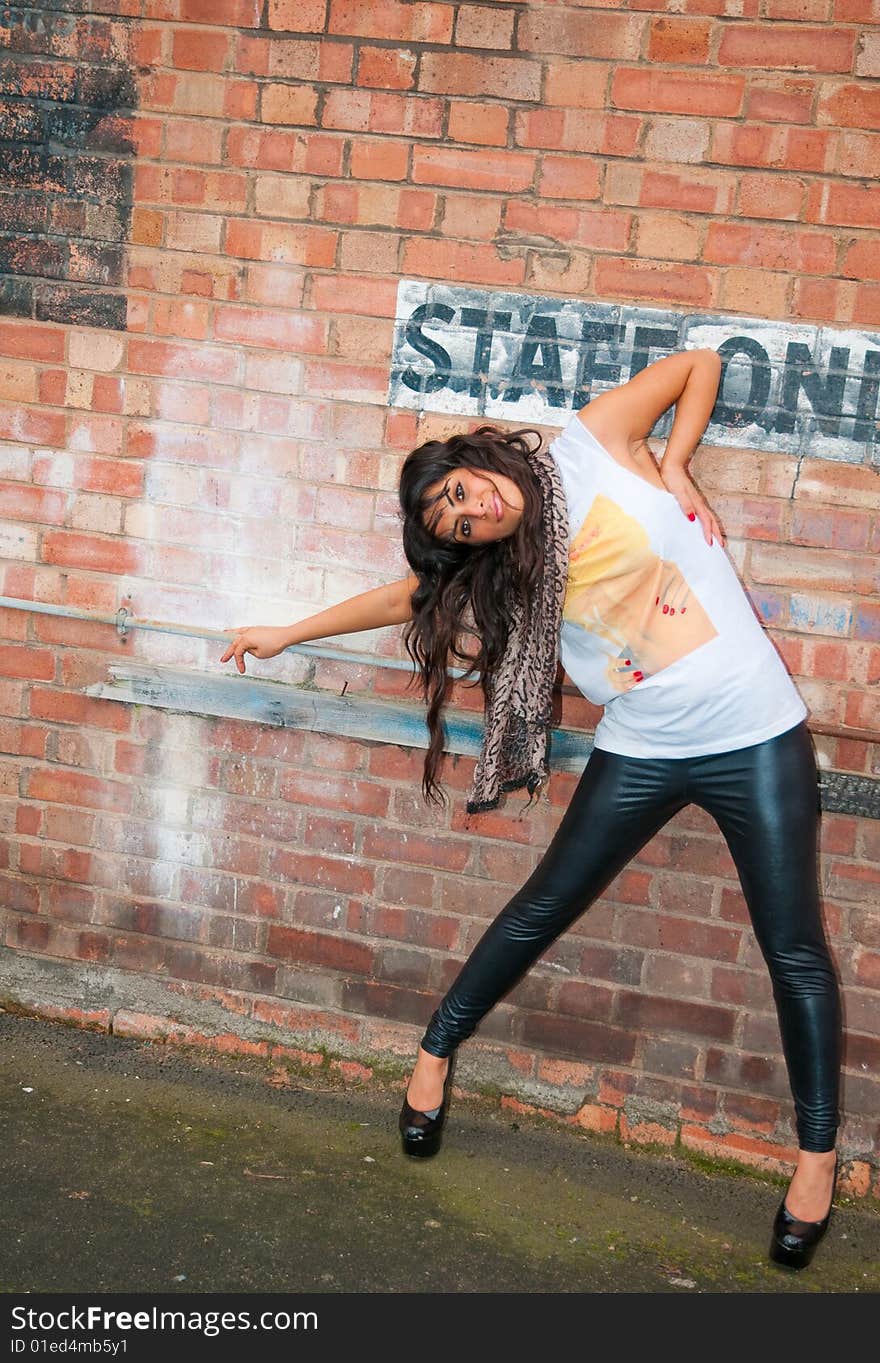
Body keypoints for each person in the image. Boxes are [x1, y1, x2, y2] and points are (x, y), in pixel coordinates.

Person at [220, 349, 841, 1271]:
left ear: (472, 458)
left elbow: (698, 364)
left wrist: (676, 462)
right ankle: (435, 1053)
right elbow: (409, 597)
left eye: (462, 492)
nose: (475, 512)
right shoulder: (497, 569)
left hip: (756, 735)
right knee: (542, 907)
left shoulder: (590, 448)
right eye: (457, 522)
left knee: (793, 950)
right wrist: (286, 631)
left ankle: (817, 1161)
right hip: (643, 744)